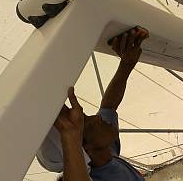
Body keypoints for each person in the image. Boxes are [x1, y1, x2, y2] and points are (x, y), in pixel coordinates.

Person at [36, 27, 149, 181]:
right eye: (88, 121)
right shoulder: (103, 162)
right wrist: (127, 64)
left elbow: (109, 106)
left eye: (87, 119)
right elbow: (109, 106)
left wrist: (126, 65)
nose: (97, 118)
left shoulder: (102, 161)